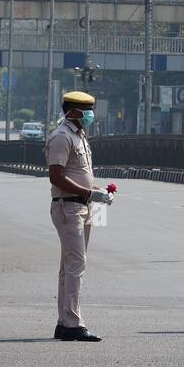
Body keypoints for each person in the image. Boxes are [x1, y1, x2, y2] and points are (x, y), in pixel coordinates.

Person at [46, 90, 113, 342]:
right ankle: (73, 323)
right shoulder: (62, 137)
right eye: (86, 110)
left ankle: (64, 322)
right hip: (68, 207)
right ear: (73, 112)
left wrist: (98, 192)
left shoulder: (80, 137)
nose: (90, 115)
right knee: (76, 264)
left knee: (69, 266)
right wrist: (88, 193)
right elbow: (56, 175)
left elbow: (80, 174)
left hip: (82, 206)